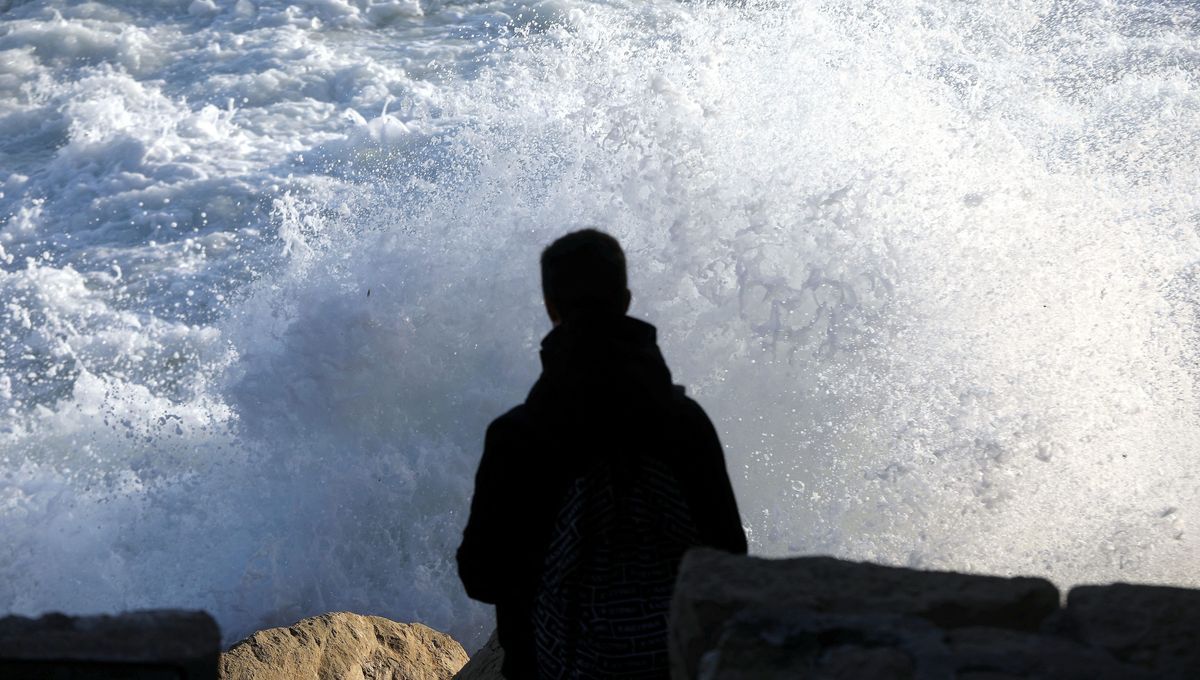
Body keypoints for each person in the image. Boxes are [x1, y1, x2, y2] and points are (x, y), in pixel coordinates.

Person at [457, 229, 747, 679]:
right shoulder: (686, 423)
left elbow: (481, 576)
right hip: (671, 667)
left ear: (551, 308)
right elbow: (729, 557)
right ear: (626, 299)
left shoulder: (518, 436)